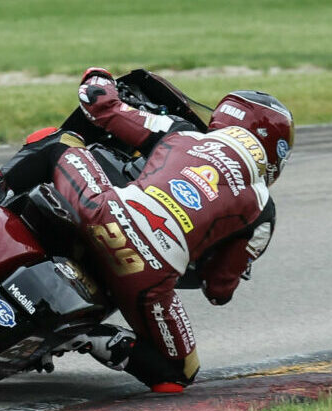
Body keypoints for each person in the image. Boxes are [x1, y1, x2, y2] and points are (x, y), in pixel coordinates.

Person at [18, 70, 291, 391]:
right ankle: (89, 337)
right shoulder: (263, 209)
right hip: (147, 275)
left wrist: (97, 78)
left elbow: (101, 107)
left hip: (103, 215)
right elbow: (218, 291)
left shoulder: (183, 132)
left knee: (58, 143)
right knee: (179, 374)